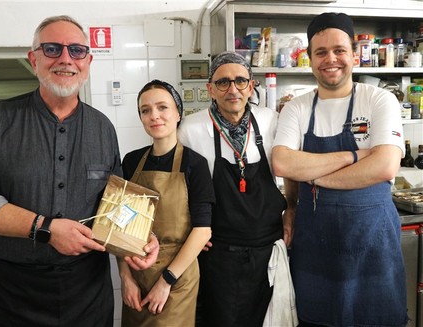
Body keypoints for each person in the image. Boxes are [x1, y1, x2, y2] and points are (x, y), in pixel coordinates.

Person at [0, 15, 159, 327]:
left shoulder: (102, 128)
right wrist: (44, 228)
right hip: (10, 294)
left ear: (88, 61)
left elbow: (114, 205)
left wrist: (140, 237)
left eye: (76, 51)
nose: (65, 59)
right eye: (52, 49)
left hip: (86, 293)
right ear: (33, 59)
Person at [271, 12, 408, 326]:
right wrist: (355, 156)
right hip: (314, 244)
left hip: (372, 242)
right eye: (320, 52)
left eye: (339, 50)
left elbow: (385, 166)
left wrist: (312, 174)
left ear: (354, 54)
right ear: (309, 58)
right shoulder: (296, 107)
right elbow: (283, 163)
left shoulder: (380, 100)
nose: (330, 59)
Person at [178, 51, 297, 327]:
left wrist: (291, 208)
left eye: (240, 81)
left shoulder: (270, 120)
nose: (233, 89)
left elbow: (289, 167)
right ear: (210, 89)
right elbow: (179, 189)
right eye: (223, 82)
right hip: (219, 255)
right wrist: (189, 230)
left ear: (251, 85)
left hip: (268, 250)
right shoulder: (190, 129)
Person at [118, 80, 214, 327]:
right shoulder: (131, 162)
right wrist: (125, 278)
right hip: (137, 272)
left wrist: (166, 281)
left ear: (178, 113)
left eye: (163, 107)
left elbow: (203, 231)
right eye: (145, 110)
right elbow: (119, 227)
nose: (154, 116)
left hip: (177, 277)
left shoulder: (195, 164)